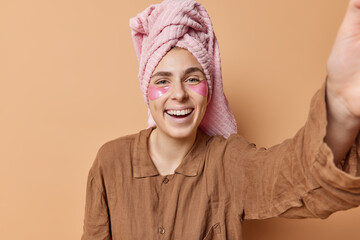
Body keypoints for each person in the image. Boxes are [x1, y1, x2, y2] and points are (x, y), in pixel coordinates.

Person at [81, 0, 360, 239]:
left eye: (192, 79)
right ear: (147, 91)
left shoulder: (227, 162)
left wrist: (340, 107)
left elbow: (291, 176)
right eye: (162, 81)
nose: (179, 94)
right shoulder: (110, 161)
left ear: (209, 89)